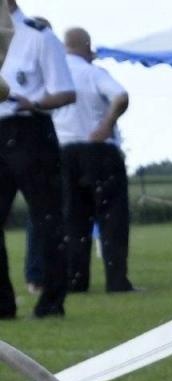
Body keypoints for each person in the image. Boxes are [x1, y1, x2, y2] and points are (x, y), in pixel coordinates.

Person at [0, 0, 72, 320]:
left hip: (30, 129)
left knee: (47, 219)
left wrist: (34, 101)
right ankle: (2, 303)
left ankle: (52, 301)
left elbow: (65, 92)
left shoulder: (38, 36)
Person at [53, 27, 134, 294]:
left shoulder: (55, 73)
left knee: (74, 220)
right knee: (111, 217)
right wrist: (106, 124)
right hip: (99, 151)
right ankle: (116, 281)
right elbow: (120, 96)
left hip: (65, 152)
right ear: (87, 46)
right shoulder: (92, 73)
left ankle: (76, 281)